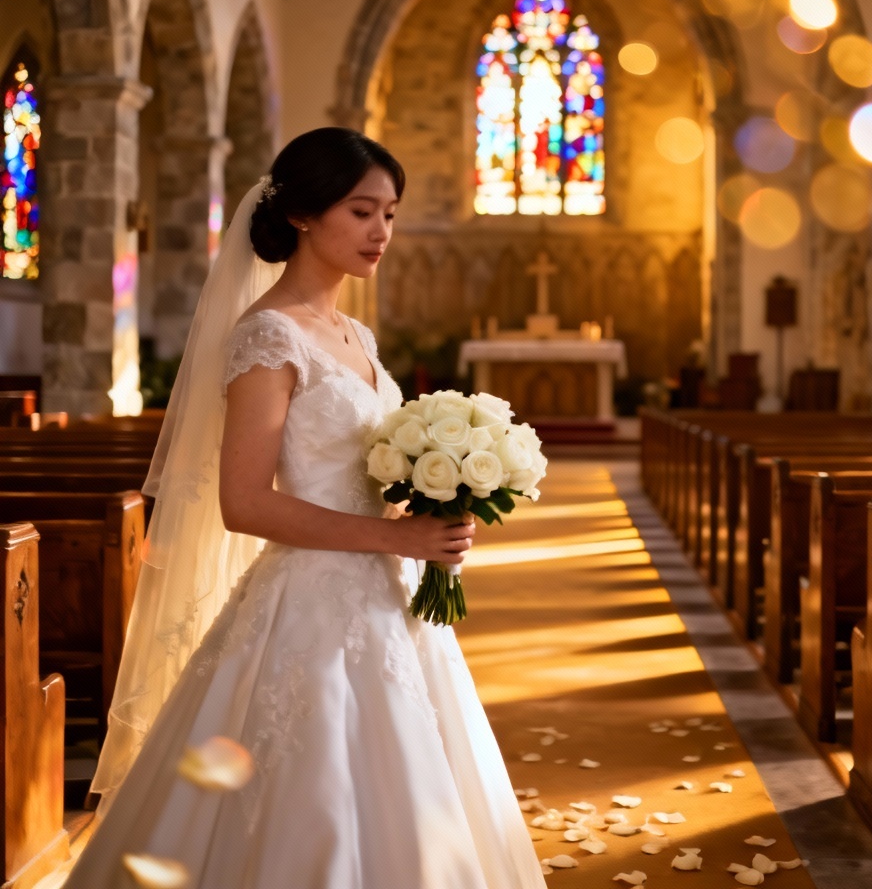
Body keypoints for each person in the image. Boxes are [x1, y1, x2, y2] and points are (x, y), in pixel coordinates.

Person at [62, 128, 547, 889]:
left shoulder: (356, 334)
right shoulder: (267, 336)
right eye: (361, 211)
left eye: (390, 212)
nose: (381, 231)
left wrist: (440, 501)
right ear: (302, 216)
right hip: (308, 602)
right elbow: (245, 503)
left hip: (389, 601)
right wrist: (399, 538)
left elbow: (370, 471)